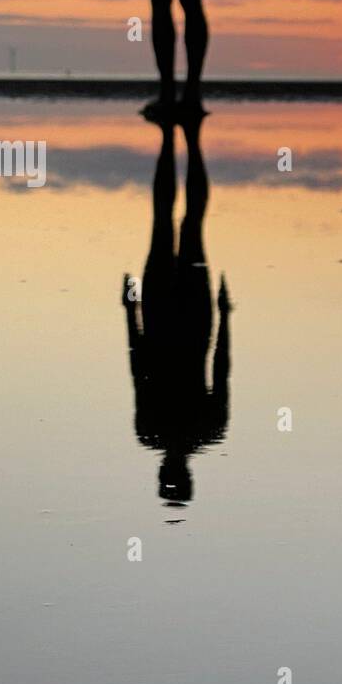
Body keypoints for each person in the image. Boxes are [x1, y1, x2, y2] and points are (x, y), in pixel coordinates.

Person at [123, 113, 231, 503]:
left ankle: (176, 137)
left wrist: (130, 311)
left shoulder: (191, 430)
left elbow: (140, 367)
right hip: (182, 319)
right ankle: (184, 136)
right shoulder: (179, 430)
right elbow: (220, 368)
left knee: (176, 223)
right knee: (182, 224)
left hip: (181, 319)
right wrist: (129, 312)